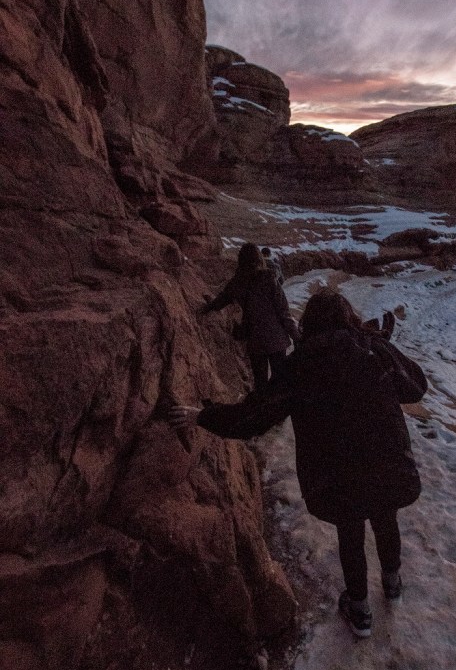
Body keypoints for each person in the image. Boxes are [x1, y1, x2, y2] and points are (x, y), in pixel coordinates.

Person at [171, 289, 427, 639]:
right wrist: (379, 342)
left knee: (351, 531)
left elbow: (255, 416)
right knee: (385, 516)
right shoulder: (371, 349)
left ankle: (361, 610)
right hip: (387, 462)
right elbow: (416, 386)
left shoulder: (302, 364)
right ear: (348, 316)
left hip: (338, 475)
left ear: (308, 323)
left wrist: (204, 416)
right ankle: (393, 582)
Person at [200, 242, 298, 391]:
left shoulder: (237, 283)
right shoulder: (269, 279)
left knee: (260, 385)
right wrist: (297, 336)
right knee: (280, 383)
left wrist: (207, 307)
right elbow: (283, 312)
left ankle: (261, 411)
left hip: (255, 340)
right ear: (259, 259)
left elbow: (221, 300)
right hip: (276, 338)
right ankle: (274, 412)